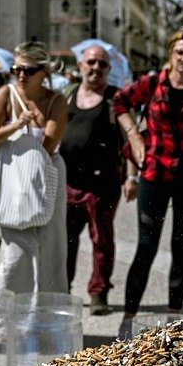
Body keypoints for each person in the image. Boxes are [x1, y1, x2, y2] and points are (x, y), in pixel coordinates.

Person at [112, 28, 183, 340]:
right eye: (180, 53)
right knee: (146, 246)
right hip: (155, 172)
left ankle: (174, 319)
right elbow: (120, 102)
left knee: (181, 246)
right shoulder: (152, 83)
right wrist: (133, 134)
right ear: (171, 54)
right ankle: (128, 318)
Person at [0, 42, 70, 293]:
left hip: (46, 174)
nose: (21, 75)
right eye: (16, 69)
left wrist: (34, 123)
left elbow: (49, 146)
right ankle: (4, 319)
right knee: (15, 254)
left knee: (51, 249)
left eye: (29, 70)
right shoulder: (6, 94)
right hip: (12, 175)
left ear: (44, 72)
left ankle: (46, 319)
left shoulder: (57, 101)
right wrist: (16, 125)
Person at [62, 42, 123, 314]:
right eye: (91, 62)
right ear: (81, 66)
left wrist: (131, 177)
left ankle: (99, 294)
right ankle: (63, 290)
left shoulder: (115, 98)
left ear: (109, 69)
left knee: (101, 240)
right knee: (65, 240)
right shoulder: (67, 95)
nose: (95, 68)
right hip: (68, 182)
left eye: (102, 64)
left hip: (102, 184)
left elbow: (128, 138)